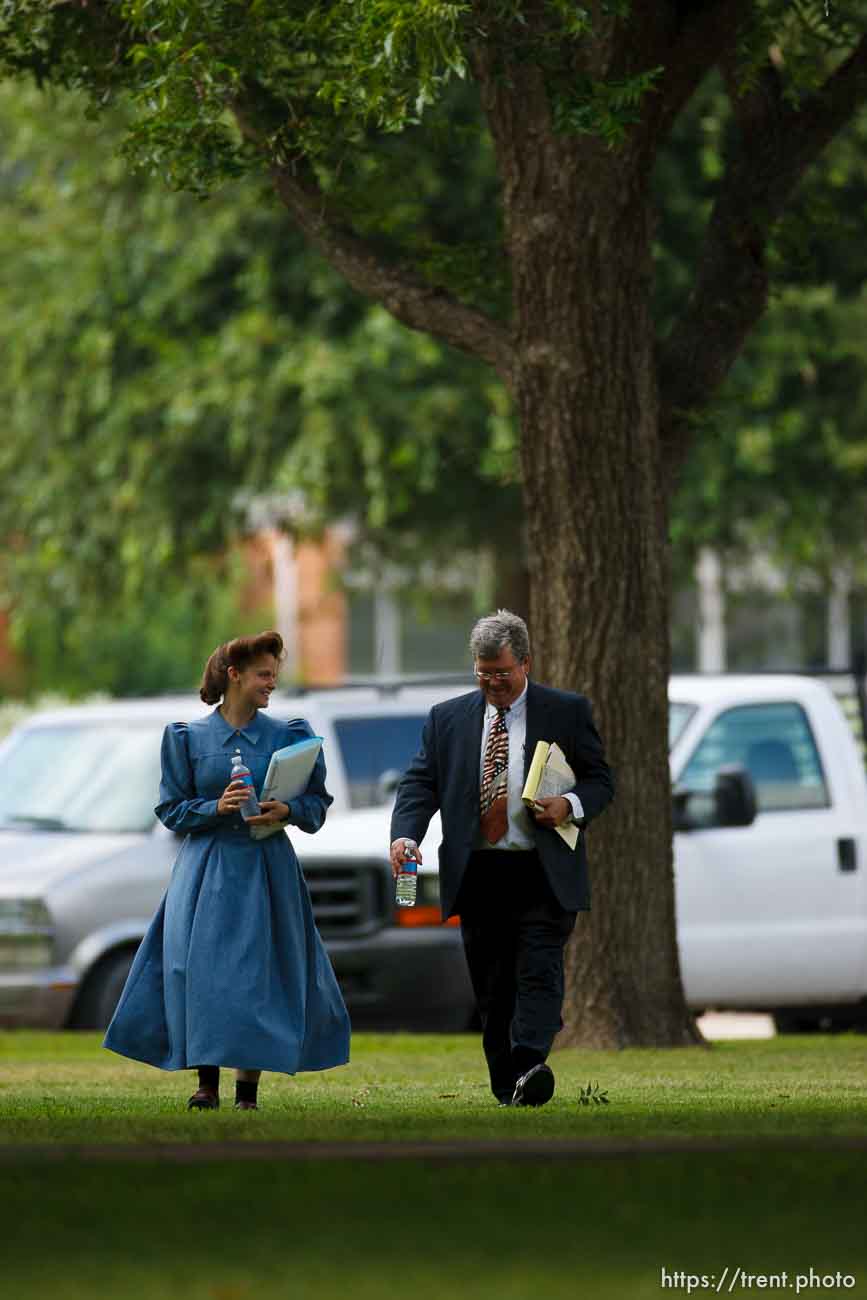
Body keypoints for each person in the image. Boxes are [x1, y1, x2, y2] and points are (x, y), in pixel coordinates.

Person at [103, 630, 350, 1110]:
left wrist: (288, 810)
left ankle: (247, 1093)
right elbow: (170, 809)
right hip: (206, 870)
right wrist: (214, 807)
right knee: (201, 972)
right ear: (234, 675)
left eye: (274, 676)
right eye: (263, 675)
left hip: (266, 869)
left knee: (256, 975)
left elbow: (317, 805)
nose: (270, 684)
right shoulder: (188, 738)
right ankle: (206, 1084)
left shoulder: (289, 736)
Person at [390, 610, 613, 1108]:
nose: (493, 682)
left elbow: (601, 780)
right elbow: (420, 784)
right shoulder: (447, 719)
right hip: (481, 872)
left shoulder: (566, 712)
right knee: (493, 987)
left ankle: (531, 1060)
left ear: (526, 663)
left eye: (502, 673)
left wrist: (570, 805)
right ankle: (508, 1083)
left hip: (541, 869)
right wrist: (405, 835)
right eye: (483, 672)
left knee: (540, 969)